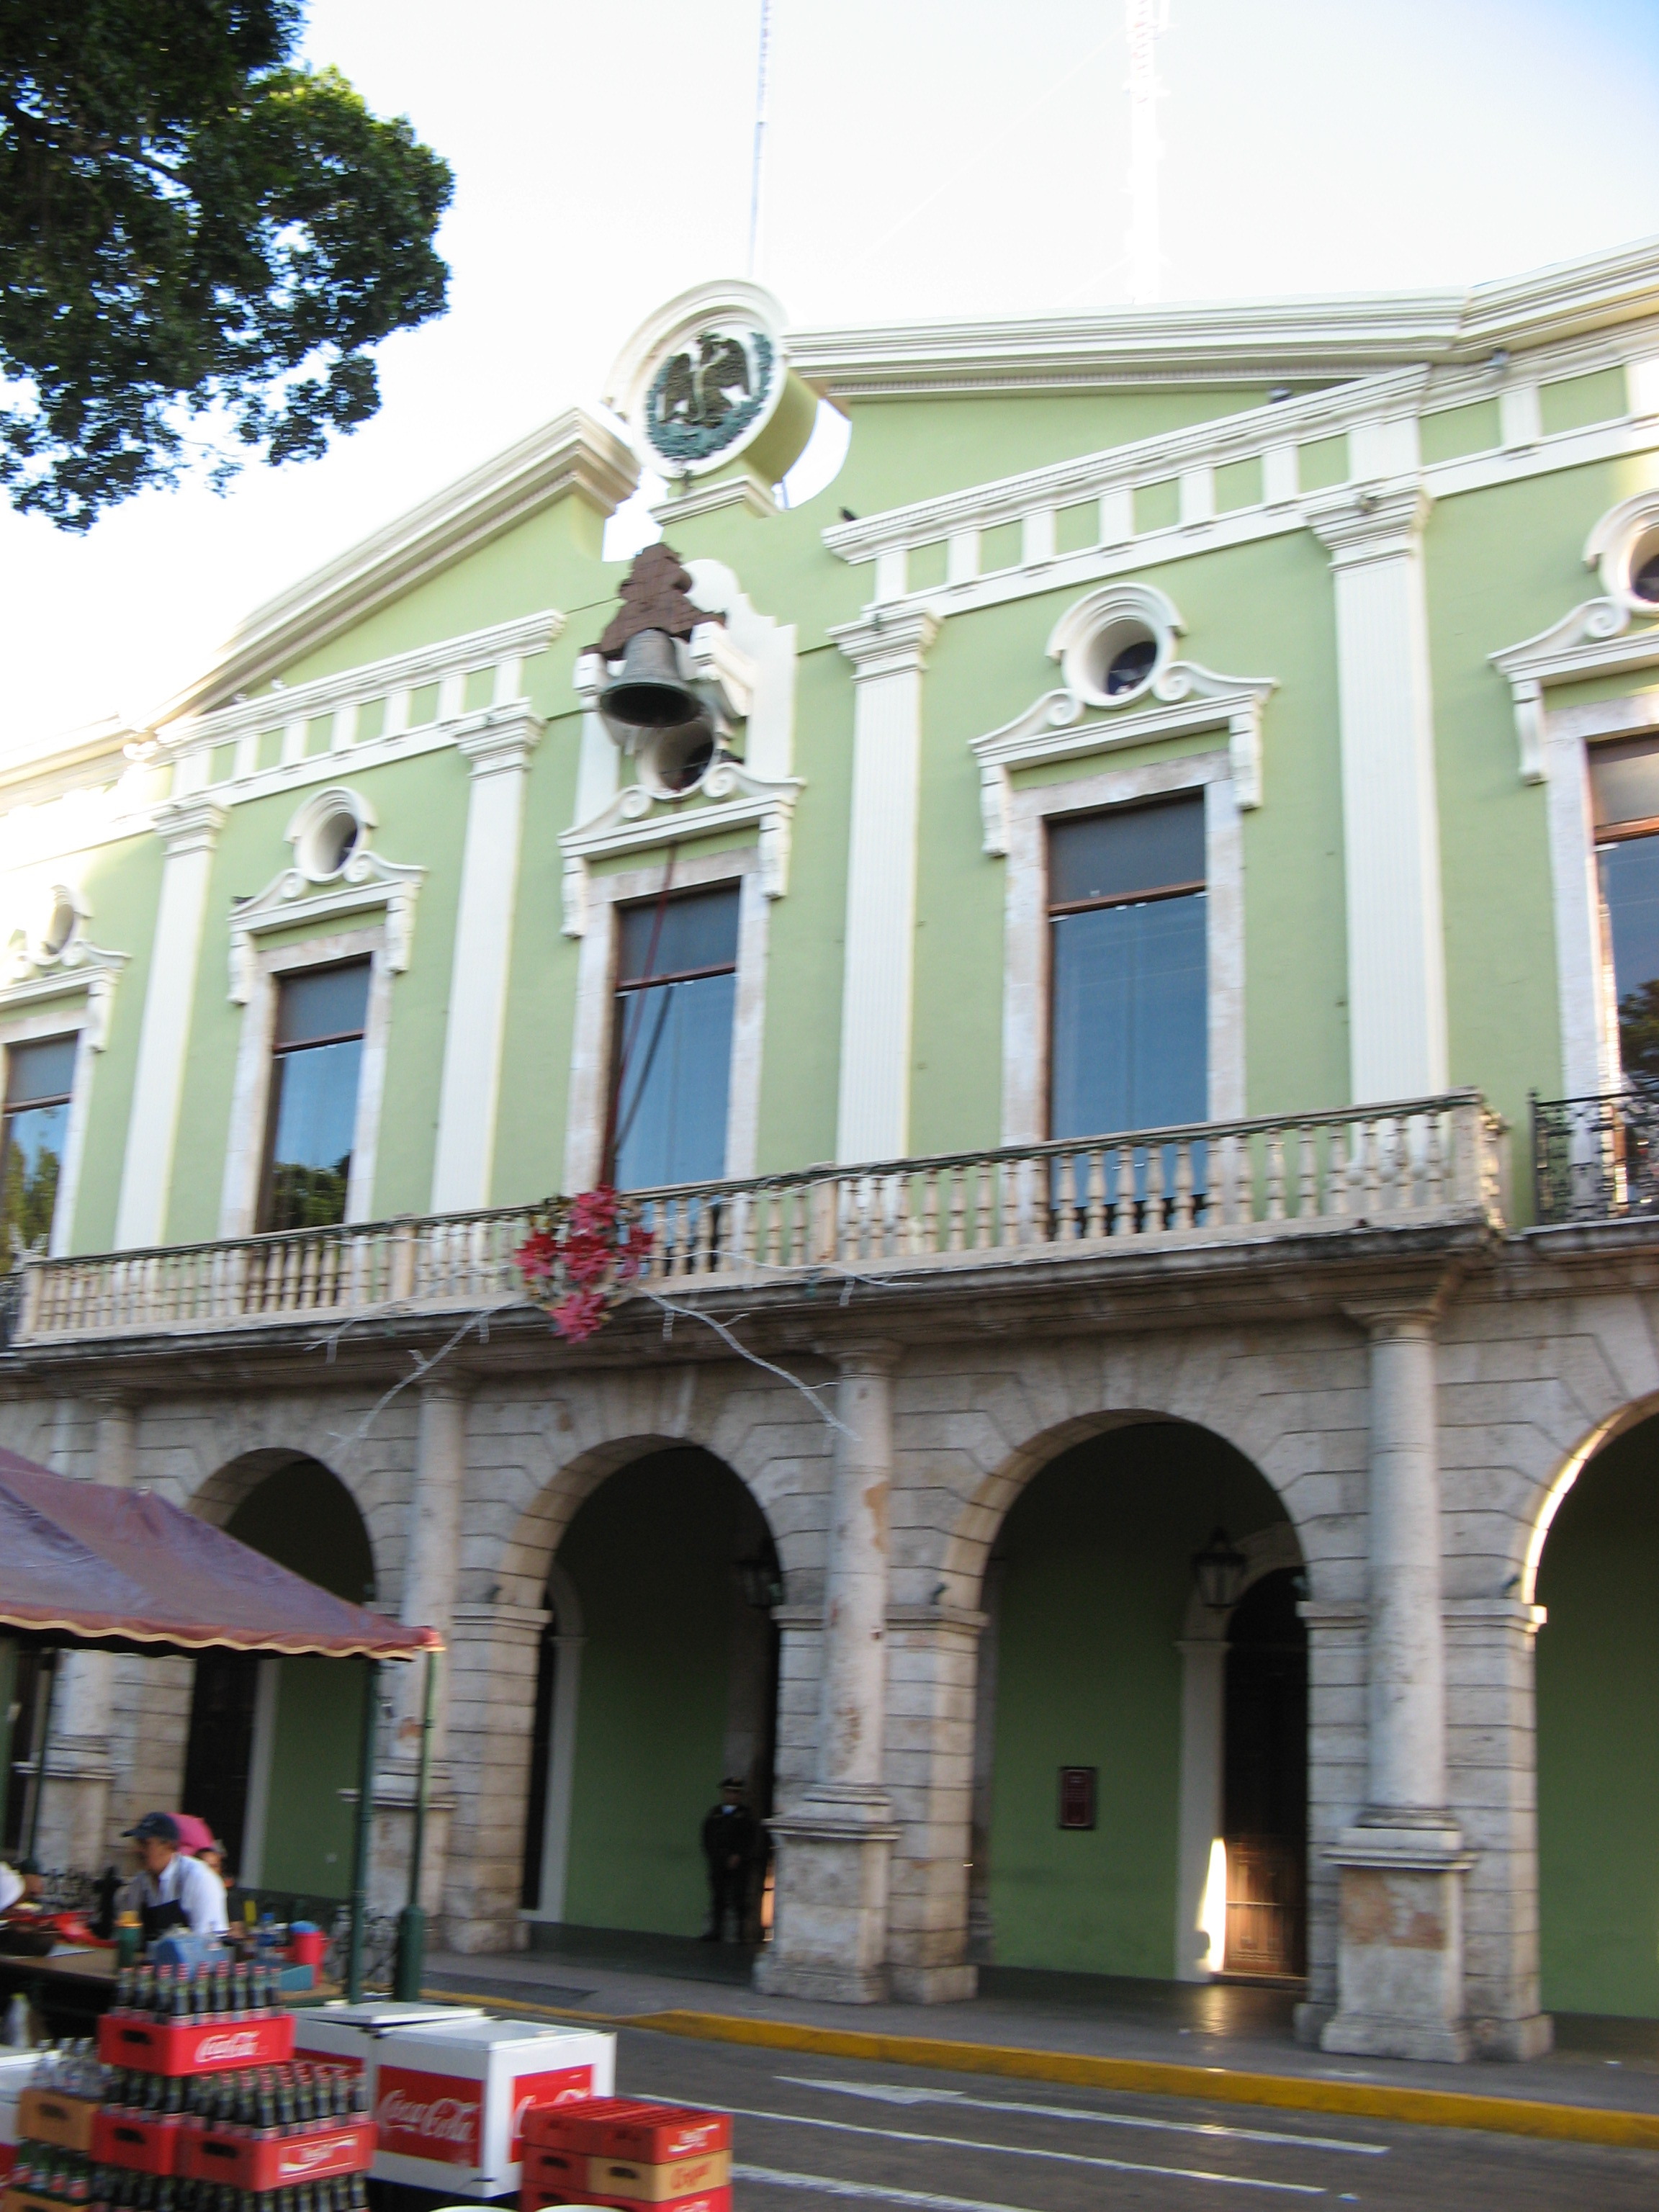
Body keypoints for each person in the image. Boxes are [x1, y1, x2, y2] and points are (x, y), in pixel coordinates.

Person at [119, 1813, 228, 1941]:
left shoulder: (200, 1879)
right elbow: (127, 1931)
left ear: (169, 1846)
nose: (138, 1850)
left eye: (145, 1844)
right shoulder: (140, 1882)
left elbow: (209, 1942)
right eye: (138, 1843)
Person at [699, 1779, 761, 1943]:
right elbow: (708, 1837)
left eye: (736, 1793)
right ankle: (716, 1931)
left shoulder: (746, 1815)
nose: (732, 1796)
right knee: (718, 1897)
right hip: (718, 1862)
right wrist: (717, 1857)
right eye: (729, 1792)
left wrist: (739, 1855)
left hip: (739, 1864)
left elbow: (750, 1839)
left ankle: (741, 1934)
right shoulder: (715, 1813)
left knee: (739, 1898)